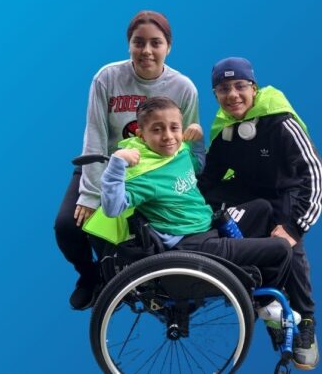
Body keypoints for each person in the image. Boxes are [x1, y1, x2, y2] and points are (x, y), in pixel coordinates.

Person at [54, 10, 204, 310]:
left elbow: (189, 145)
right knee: (68, 227)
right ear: (129, 45)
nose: (146, 51)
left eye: (155, 43)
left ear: (168, 46)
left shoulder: (183, 88)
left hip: (153, 173)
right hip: (104, 166)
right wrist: (90, 193)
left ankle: (141, 290)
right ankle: (90, 277)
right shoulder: (107, 77)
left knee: (135, 236)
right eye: (139, 42)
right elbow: (94, 134)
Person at [98, 96, 293, 303]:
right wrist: (117, 164)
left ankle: (245, 274)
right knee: (281, 249)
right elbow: (112, 208)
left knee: (262, 208)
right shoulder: (144, 172)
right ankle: (264, 304)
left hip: (208, 226)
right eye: (157, 130)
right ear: (141, 134)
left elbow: (198, 166)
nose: (168, 136)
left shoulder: (177, 151)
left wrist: (197, 140)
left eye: (174, 128)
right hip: (192, 244)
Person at [198, 57, 322, 370]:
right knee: (226, 223)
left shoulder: (281, 122)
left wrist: (295, 228)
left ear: (253, 88)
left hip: (288, 192)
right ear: (215, 94)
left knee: (288, 247)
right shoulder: (224, 130)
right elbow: (210, 180)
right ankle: (267, 304)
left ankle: (305, 323)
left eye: (240, 86)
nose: (233, 94)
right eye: (223, 88)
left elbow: (315, 175)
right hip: (251, 193)